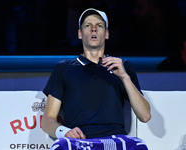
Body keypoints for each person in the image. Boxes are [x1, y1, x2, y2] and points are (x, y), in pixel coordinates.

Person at [42, 8, 151, 150]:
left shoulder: (123, 66)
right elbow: (47, 120)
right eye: (88, 26)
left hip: (115, 140)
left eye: (99, 26)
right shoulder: (63, 68)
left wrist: (124, 77)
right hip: (80, 142)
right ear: (80, 34)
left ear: (106, 34)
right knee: (60, 146)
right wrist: (64, 132)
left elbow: (145, 115)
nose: (93, 29)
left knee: (139, 145)